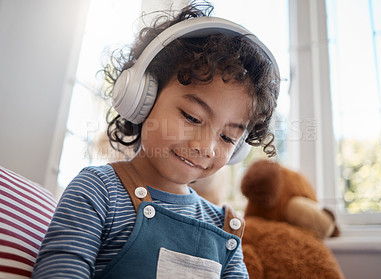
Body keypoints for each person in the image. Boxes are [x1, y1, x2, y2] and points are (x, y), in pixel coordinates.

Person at [32, 2, 280, 278]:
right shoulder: (98, 191)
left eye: (227, 137)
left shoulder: (224, 227)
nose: (205, 146)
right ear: (142, 98)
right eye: (192, 117)